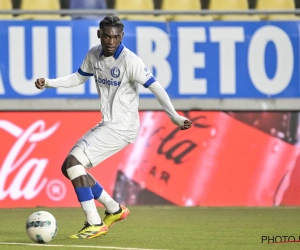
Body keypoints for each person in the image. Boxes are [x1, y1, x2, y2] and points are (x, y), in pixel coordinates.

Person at [35, 15, 192, 239]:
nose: (111, 41)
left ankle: (94, 222)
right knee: (69, 168)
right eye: (107, 36)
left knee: (73, 163)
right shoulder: (94, 54)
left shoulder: (130, 61)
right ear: (99, 34)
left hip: (122, 126)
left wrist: (174, 117)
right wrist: (49, 82)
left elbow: (156, 88)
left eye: (116, 37)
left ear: (122, 37)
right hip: (109, 123)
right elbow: (79, 78)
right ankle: (114, 209)